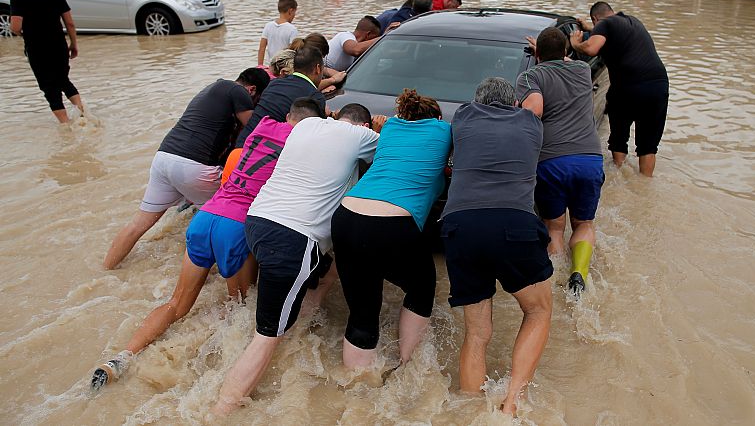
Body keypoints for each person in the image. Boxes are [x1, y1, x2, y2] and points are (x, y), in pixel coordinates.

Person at [89, 99, 324, 391]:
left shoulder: (263, 126)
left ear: (288, 116)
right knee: (240, 308)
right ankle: (206, 377)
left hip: (207, 216)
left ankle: (121, 358)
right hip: (237, 225)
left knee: (177, 304)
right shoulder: (302, 145)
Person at [212, 104, 379, 416]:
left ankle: (296, 328)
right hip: (293, 239)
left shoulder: (306, 126)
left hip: (258, 222)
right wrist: (381, 126)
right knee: (266, 336)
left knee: (324, 271)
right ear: (365, 124)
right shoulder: (362, 135)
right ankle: (219, 412)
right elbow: (390, 152)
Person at [440, 77, 553, 416]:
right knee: (538, 311)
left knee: (477, 333)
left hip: (460, 227)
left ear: (477, 103)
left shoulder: (463, 117)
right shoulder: (532, 124)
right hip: (514, 225)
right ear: (514, 105)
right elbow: (536, 100)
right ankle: (512, 404)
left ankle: (470, 411)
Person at [103, 69, 270, 270]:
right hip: (194, 166)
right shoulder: (239, 91)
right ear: (252, 90)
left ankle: (106, 268)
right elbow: (254, 133)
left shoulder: (214, 87)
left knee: (139, 224)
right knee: (222, 221)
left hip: (164, 158)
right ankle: (205, 277)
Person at [331, 89, 451, 369]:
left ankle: (358, 391)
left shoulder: (391, 127)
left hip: (347, 216)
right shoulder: (444, 131)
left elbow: (390, 125)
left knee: (362, 316)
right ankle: (404, 365)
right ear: (438, 117)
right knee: (421, 289)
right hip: (392, 223)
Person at [516, 27, 604, 296]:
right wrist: (550, 53)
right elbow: (563, 61)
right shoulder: (582, 70)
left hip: (551, 161)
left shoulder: (530, 75)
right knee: (584, 224)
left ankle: (553, 283)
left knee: (554, 227)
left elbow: (533, 110)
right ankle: (578, 274)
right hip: (589, 160)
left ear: (538, 54)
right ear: (566, 52)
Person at [569, 1, 669, 177]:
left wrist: (575, 43)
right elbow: (610, 37)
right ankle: (645, 185)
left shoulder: (605, 24)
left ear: (595, 19)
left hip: (628, 87)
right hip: (658, 86)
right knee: (648, 146)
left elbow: (591, 48)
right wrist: (591, 29)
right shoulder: (632, 21)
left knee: (619, 139)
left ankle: (618, 174)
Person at [9, 0, 83, 124]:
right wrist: (73, 44)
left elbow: (15, 27)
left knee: (49, 87)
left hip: (37, 49)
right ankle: (83, 115)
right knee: (63, 80)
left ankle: (66, 126)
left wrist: (26, 34)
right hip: (59, 46)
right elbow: (69, 23)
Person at [234, 46, 326, 149]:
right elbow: (311, 137)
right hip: (261, 157)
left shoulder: (274, 83)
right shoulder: (315, 97)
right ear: (318, 69)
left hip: (239, 148)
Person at [257, 0, 298, 66]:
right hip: (284, 67)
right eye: (294, 12)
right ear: (290, 11)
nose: (294, 16)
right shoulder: (292, 29)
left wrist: (260, 66)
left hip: (270, 66)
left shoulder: (268, 26)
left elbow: (262, 48)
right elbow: (292, 51)